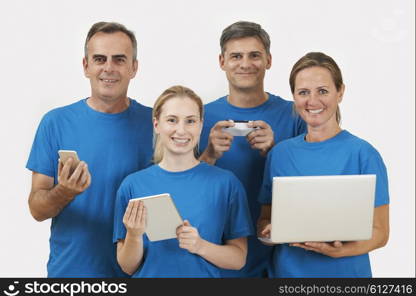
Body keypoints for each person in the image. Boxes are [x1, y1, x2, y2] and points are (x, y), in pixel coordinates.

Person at [26, 22, 153, 277]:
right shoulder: (55, 123)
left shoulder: (157, 125)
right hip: (72, 275)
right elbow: (37, 210)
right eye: (99, 59)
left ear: (134, 68)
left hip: (139, 273)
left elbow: (180, 189)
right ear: (86, 66)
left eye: (119, 60)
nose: (109, 68)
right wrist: (64, 192)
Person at [257, 52, 390, 277]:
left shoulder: (363, 154)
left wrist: (339, 252)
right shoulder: (279, 154)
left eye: (323, 91)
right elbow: (265, 219)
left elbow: (380, 233)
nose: (313, 101)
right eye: (303, 92)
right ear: (294, 97)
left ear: (340, 92)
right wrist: (268, 234)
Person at [199, 21, 306, 277]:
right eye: (236, 56)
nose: (245, 64)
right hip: (216, 253)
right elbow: (181, 186)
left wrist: (275, 153)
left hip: (283, 255)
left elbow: (311, 188)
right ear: (222, 61)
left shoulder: (295, 115)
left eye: (254, 55)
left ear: (268, 60)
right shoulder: (198, 116)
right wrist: (209, 155)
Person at [113, 85, 253, 277]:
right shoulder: (132, 186)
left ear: (201, 125)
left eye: (190, 121)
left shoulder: (226, 184)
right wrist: (134, 235)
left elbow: (238, 259)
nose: (181, 130)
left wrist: (200, 245)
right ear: (156, 125)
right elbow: (127, 266)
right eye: (172, 120)